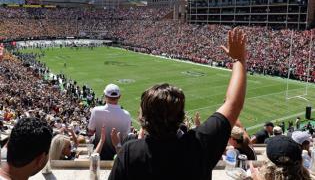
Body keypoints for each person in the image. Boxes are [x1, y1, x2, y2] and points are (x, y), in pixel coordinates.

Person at [109, 28, 247, 180]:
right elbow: (233, 103)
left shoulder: (130, 152)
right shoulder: (199, 144)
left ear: (143, 118)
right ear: (181, 115)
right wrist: (238, 59)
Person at [88, 83, 131, 160]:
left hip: (99, 155)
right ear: (119, 97)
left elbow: (90, 130)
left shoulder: (96, 111)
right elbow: (126, 137)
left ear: (105, 96)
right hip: (118, 157)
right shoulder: (126, 115)